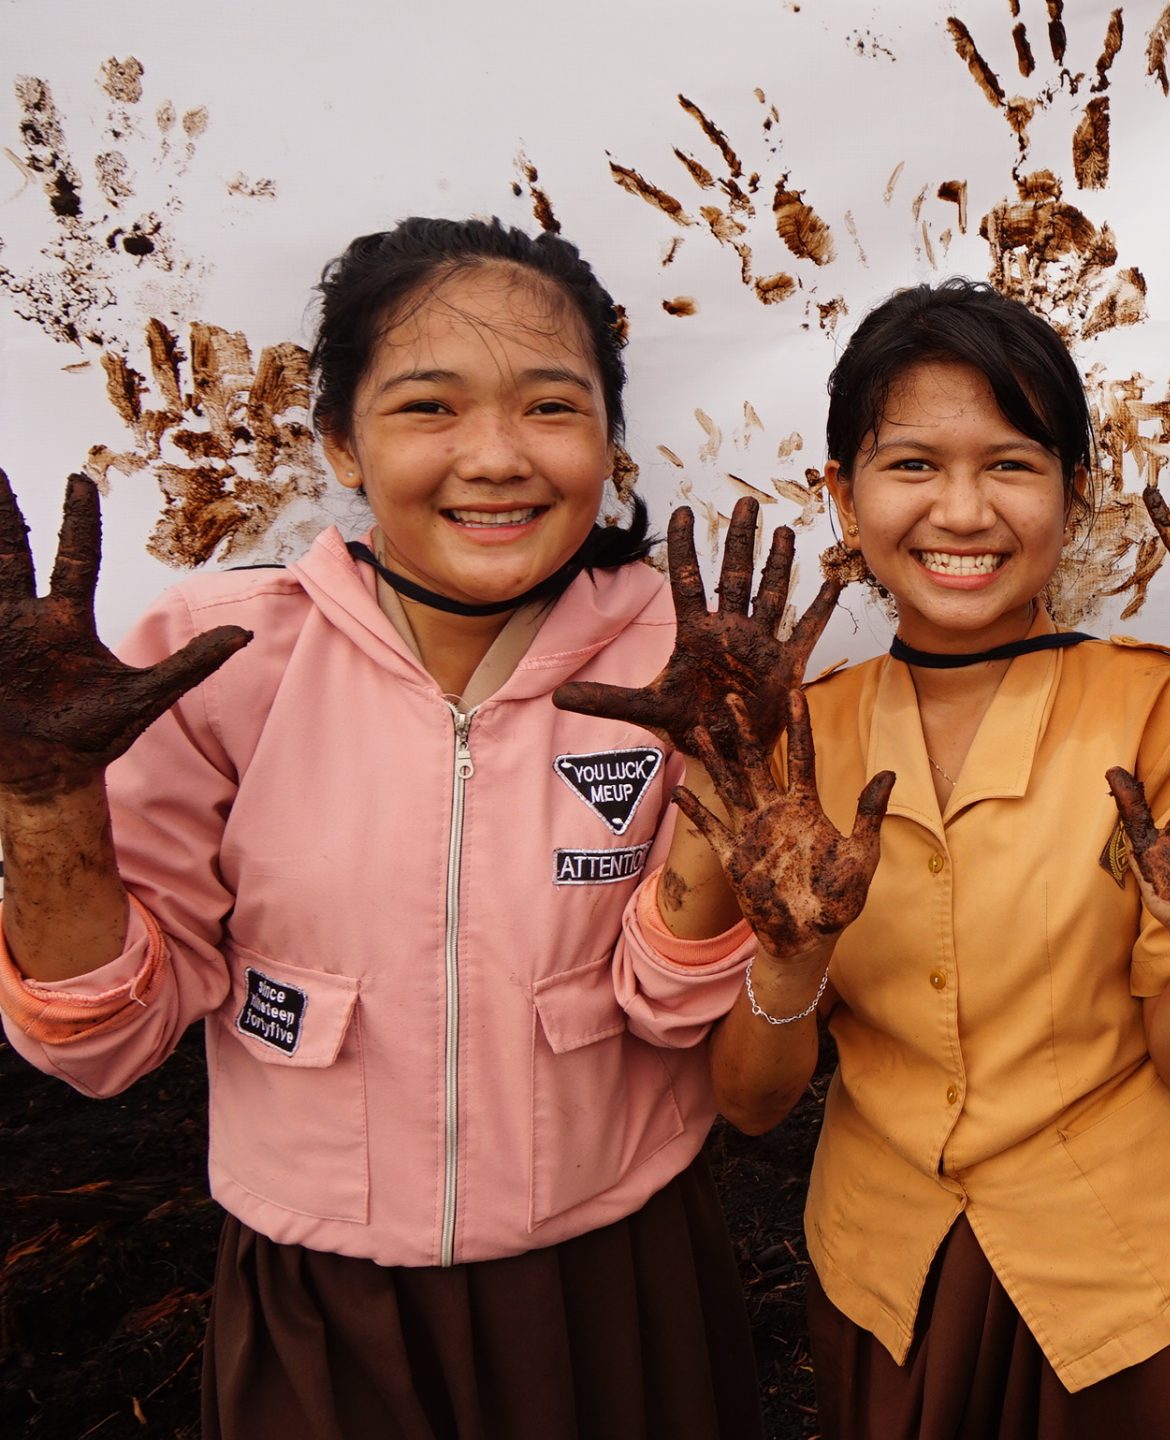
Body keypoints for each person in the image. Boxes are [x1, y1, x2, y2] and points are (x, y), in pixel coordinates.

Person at [0, 217, 816, 1437]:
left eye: (551, 407)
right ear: (341, 441)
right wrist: (46, 804)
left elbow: (672, 1007)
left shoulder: (689, 655)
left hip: (614, 1275)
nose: (494, 458)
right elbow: (102, 1049)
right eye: (428, 408)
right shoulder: (218, 657)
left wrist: (716, 780)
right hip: (325, 1297)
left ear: (609, 442)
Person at [597, 279, 1170, 1439]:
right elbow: (747, 1107)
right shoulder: (791, 745)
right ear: (843, 494)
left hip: (1140, 1278)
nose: (963, 510)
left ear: (1073, 495)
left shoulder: (1159, 713)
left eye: (1012, 465)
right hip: (895, 1280)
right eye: (912, 466)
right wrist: (788, 959)